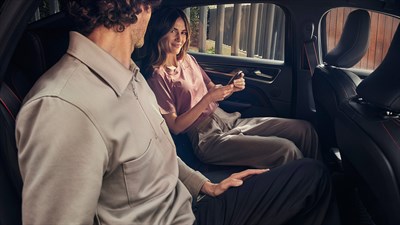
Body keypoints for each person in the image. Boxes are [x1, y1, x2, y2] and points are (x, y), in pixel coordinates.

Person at [15, 1, 339, 224]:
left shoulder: (129, 76)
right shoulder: (63, 106)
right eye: (152, 7)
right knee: (313, 179)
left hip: (192, 205)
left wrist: (207, 186)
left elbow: (163, 154)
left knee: (309, 173)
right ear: (137, 6)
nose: (153, 13)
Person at [145, 8, 320, 169]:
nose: (180, 39)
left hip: (227, 119)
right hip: (206, 137)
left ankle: (323, 180)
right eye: (173, 31)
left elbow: (211, 87)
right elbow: (175, 126)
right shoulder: (157, 77)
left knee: (304, 130)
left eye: (183, 32)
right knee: (286, 150)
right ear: (160, 31)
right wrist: (208, 99)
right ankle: (310, 189)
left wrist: (231, 87)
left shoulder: (188, 59)